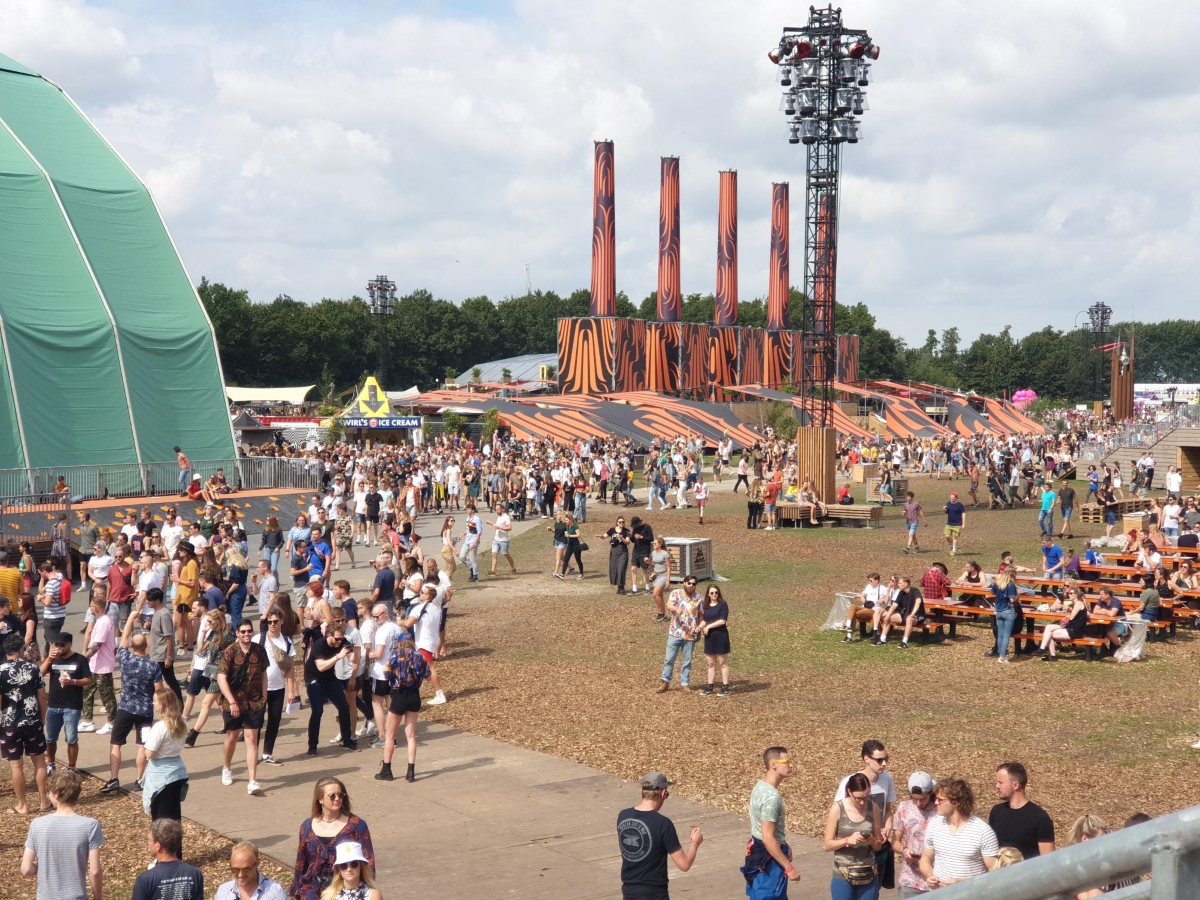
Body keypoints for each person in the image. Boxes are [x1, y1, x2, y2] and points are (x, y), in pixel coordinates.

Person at [102, 596, 163, 794]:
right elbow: (159, 689)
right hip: (145, 710)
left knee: (116, 743)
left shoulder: (126, 658)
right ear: (145, 646)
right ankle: (139, 779)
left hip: (126, 708)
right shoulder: (153, 664)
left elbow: (124, 638)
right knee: (141, 745)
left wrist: (130, 619)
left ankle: (114, 778)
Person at [617, 771, 702, 900]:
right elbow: (684, 864)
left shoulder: (623, 816)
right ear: (662, 793)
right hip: (654, 894)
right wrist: (694, 843)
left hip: (629, 892)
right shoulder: (663, 824)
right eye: (666, 794)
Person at [21, 769, 103, 900]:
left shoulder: (37, 824)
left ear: (56, 795)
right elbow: (95, 871)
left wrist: (45, 867)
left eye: (49, 793)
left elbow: (26, 869)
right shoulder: (90, 825)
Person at [291, 777, 375, 900]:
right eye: (332, 796)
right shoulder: (307, 827)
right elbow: (301, 863)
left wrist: (365, 893)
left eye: (340, 795)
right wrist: (297, 891)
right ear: (320, 799)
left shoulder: (356, 825)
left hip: (344, 891)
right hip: (312, 892)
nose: (337, 799)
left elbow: (369, 862)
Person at [217, 619, 269, 793]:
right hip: (233, 701)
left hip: (254, 702)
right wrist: (231, 701)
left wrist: (264, 698)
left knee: (252, 740)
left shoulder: (259, 650)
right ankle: (227, 767)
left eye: (249, 631)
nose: (247, 634)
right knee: (232, 737)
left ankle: (252, 781)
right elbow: (221, 677)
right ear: (237, 633)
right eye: (243, 631)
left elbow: (263, 674)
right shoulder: (230, 652)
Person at [0, 631, 49, 814]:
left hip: (10, 722)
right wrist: (41, 718)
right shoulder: (33, 669)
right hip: (32, 720)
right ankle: (44, 801)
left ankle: (23, 805)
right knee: (39, 762)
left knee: (16, 765)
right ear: (21, 650)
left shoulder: (1, 671)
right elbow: (42, 697)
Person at [919, 778, 999, 888]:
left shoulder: (983, 832)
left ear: (956, 802)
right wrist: (929, 875)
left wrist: (963, 883)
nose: (936, 802)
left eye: (940, 799)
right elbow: (925, 859)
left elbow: (996, 874)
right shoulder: (934, 824)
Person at [743, 748, 801, 897]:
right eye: (787, 761)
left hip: (757, 854)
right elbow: (768, 838)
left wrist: (784, 843)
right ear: (773, 765)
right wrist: (788, 867)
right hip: (769, 862)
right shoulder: (771, 797)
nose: (791, 765)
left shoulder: (759, 786)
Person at [375, 629, 429, 783]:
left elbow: (386, 673)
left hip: (398, 695)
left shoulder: (395, 657)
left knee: (390, 735)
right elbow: (427, 673)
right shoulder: (420, 657)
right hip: (414, 695)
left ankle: (387, 769)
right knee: (411, 735)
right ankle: (411, 771)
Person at [824, 771, 884, 900]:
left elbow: (879, 845)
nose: (862, 803)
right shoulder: (838, 808)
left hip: (868, 871)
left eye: (866, 797)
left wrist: (873, 841)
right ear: (849, 791)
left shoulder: (873, 808)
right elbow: (827, 845)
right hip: (843, 872)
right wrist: (847, 841)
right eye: (858, 798)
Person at [302, 615, 356, 756]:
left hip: (330, 679)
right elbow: (321, 667)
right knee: (317, 711)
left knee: (344, 707)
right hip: (314, 679)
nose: (339, 641)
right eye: (336, 639)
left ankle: (347, 739)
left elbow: (353, 658)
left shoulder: (342, 641)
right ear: (329, 635)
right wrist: (339, 656)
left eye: (341, 638)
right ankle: (312, 746)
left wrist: (353, 652)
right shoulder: (319, 645)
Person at [41, 627, 91, 775]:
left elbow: (88, 680)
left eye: (62, 645)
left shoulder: (80, 659)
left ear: (69, 645)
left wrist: (73, 681)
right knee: (50, 738)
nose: (58, 648)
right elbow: (40, 673)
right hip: (54, 704)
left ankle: (71, 767)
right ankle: (51, 764)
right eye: (56, 645)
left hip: (72, 705)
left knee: (71, 739)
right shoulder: (53, 658)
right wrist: (49, 658)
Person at [253, 610, 296, 766]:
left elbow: (290, 669)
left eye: (275, 621)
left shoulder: (287, 641)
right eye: (269, 622)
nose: (272, 625)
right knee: (256, 722)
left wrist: (291, 691)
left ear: (281, 622)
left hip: (278, 688)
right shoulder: (258, 639)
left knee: (274, 720)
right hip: (258, 687)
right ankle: (253, 754)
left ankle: (267, 754)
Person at [989, 762, 1055, 860]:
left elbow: (1048, 860)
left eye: (1001, 783)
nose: (997, 786)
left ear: (1015, 785)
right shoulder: (996, 812)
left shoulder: (1040, 818)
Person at [143, 687, 189, 822]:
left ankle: (164, 842)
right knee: (174, 814)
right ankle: (175, 842)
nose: (153, 703)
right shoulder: (183, 723)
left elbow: (149, 753)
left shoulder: (160, 727)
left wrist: (144, 745)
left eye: (155, 701)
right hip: (178, 772)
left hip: (162, 775)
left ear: (162, 705)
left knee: (161, 817)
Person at [132, 819, 204, 900]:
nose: (148, 843)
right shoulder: (195, 874)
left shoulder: (146, 880)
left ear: (157, 846)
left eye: (149, 840)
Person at [891, 772, 936, 899]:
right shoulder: (904, 808)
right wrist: (904, 851)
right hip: (910, 880)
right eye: (914, 798)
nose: (918, 803)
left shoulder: (940, 810)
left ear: (931, 793)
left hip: (936, 878)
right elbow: (895, 842)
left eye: (922, 799)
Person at [79, 592, 117, 734]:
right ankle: (88, 721)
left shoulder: (104, 622)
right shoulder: (100, 621)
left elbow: (96, 646)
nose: (89, 609)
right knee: (87, 692)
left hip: (103, 666)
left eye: (91, 607)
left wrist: (83, 658)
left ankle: (112, 722)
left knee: (107, 695)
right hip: (94, 665)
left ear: (96, 608)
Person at [657, 576, 701, 693]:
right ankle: (665, 681)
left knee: (687, 660)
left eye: (693, 584)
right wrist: (676, 609)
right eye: (689, 583)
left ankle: (685, 683)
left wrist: (699, 631)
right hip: (675, 632)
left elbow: (701, 615)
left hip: (690, 634)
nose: (691, 585)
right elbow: (668, 605)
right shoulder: (676, 593)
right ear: (684, 583)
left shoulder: (698, 598)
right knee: (669, 659)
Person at [215, 841, 288, 900]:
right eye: (235, 870)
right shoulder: (223, 891)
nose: (240, 875)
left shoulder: (274, 892)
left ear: (257, 864)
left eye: (246, 870)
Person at [1039, 586, 1088, 661]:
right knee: (1048, 627)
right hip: (1070, 627)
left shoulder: (1078, 603)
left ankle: (1051, 655)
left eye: (1071, 593)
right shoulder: (1076, 604)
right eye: (1069, 593)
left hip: (1075, 630)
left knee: (1049, 634)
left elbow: (1071, 617)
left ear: (1077, 594)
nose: (1069, 595)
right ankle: (1043, 649)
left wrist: (1067, 615)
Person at [875, 577, 925, 648]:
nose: (898, 585)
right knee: (887, 617)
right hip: (904, 614)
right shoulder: (901, 593)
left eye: (900, 583)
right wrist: (888, 616)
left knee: (909, 619)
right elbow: (894, 605)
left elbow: (918, 602)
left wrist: (912, 614)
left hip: (917, 615)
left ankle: (904, 642)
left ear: (906, 584)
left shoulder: (915, 591)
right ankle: (883, 639)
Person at [699, 585, 730, 696]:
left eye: (716, 592)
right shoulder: (705, 606)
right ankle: (709, 686)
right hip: (710, 638)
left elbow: (722, 621)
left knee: (723, 663)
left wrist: (708, 627)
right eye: (712, 593)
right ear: (708, 594)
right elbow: (704, 621)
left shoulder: (723, 605)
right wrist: (699, 627)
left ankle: (725, 687)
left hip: (721, 636)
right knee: (711, 663)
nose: (714, 595)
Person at [988, 571, 1019, 664]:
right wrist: (1017, 595)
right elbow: (1012, 599)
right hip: (1008, 611)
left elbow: (992, 593)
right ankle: (1002, 657)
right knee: (1006, 635)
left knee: (1000, 634)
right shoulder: (1010, 585)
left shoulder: (996, 585)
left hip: (999, 611)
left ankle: (1000, 653)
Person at [602, 516, 632, 594]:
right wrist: (601, 537)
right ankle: (619, 587)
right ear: (617, 522)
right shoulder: (612, 530)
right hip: (614, 551)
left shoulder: (627, 531)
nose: (621, 523)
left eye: (623, 522)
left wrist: (621, 538)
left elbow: (628, 542)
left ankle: (621, 587)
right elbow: (605, 536)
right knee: (614, 568)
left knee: (621, 568)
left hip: (623, 551)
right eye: (620, 522)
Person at [488, 503, 517, 577]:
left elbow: (509, 528)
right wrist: (491, 523)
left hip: (504, 540)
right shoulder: (499, 517)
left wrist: (500, 528)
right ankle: (493, 571)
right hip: (496, 539)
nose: (496, 511)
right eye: (496, 510)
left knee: (506, 555)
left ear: (502, 509)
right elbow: (497, 526)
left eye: (498, 509)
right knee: (494, 554)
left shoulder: (506, 517)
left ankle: (513, 568)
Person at [649, 537, 671, 622]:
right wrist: (649, 563)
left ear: (660, 544)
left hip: (663, 575)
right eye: (653, 544)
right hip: (656, 575)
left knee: (655, 594)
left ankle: (661, 612)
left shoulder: (665, 554)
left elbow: (669, 567)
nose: (653, 545)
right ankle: (663, 614)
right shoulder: (653, 553)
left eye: (655, 543)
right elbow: (654, 564)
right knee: (659, 595)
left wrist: (668, 580)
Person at [943, 492, 966, 556]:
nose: (951, 499)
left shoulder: (960, 505)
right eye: (951, 497)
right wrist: (944, 509)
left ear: (956, 498)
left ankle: (954, 550)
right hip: (949, 523)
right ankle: (953, 545)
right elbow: (946, 512)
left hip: (957, 524)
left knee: (955, 537)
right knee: (947, 536)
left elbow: (963, 514)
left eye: (953, 497)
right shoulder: (948, 503)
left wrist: (963, 524)